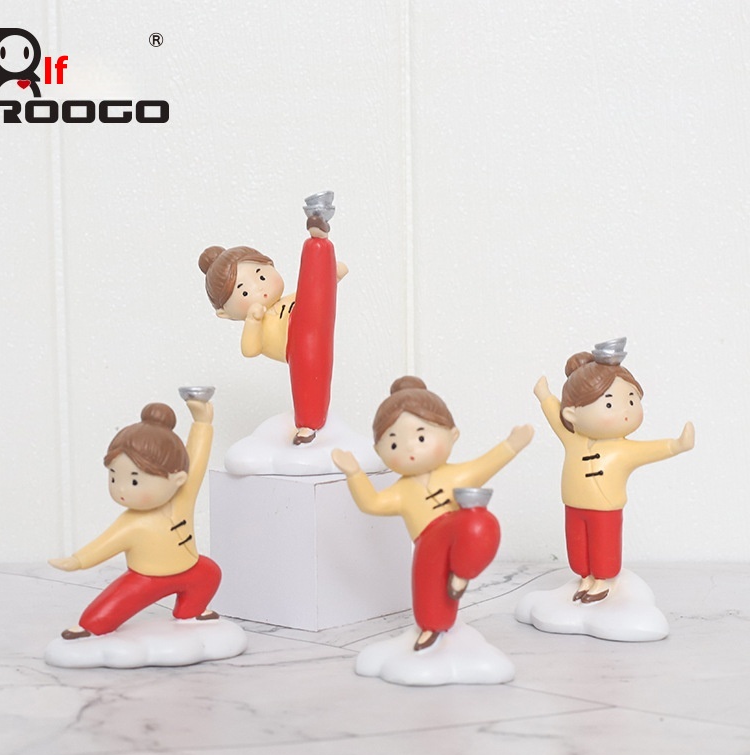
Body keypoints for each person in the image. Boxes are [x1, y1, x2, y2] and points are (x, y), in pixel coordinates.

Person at [332, 376, 533, 651]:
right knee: (428, 588)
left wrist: (512, 445)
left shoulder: (457, 475)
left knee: (480, 522)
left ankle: (461, 574)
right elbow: (372, 503)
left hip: (459, 531)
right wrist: (354, 473)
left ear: (453, 434)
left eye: (421, 437)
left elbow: (487, 463)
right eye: (394, 444)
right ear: (379, 450)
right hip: (427, 544)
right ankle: (431, 627)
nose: (411, 449)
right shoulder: (402, 491)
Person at [534, 339, 695, 603]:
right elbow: (555, 415)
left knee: (603, 545)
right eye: (609, 405)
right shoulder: (572, 438)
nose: (625, 412)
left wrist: (677, 445)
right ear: (572, 414)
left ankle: (602, 580)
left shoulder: (624, 450)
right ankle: (585, 577)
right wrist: (544, 395)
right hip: (573, 505)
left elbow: (653, 449)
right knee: (578, 545)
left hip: (605, 509)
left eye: (632, 400)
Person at [49, 399, 220, 638]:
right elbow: (105, 544)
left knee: (209, 573)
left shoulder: (182, 498)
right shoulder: (131, 523)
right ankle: (90, 627)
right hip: (145, 579)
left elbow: (197, 462)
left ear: (178, 479)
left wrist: (202, 423)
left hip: (190, 569)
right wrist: (77, 561)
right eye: (113, 477)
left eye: (134, 480)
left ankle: (191, 611)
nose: (121, 489)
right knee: (103, 615)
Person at [199, 213, 347, 446]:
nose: (260, 289)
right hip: (296, 346)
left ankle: (319, 242)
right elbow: (250, 350)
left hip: (312, 330)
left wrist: (329, 278)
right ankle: (307, 425)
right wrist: (253, 321)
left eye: (261, 275)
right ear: (224, 314)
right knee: (307, 384)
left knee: (312, 292)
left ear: (271, 265)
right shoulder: (256, 321)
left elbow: (313, 295)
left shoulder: (291, 299)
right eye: (244, 292)